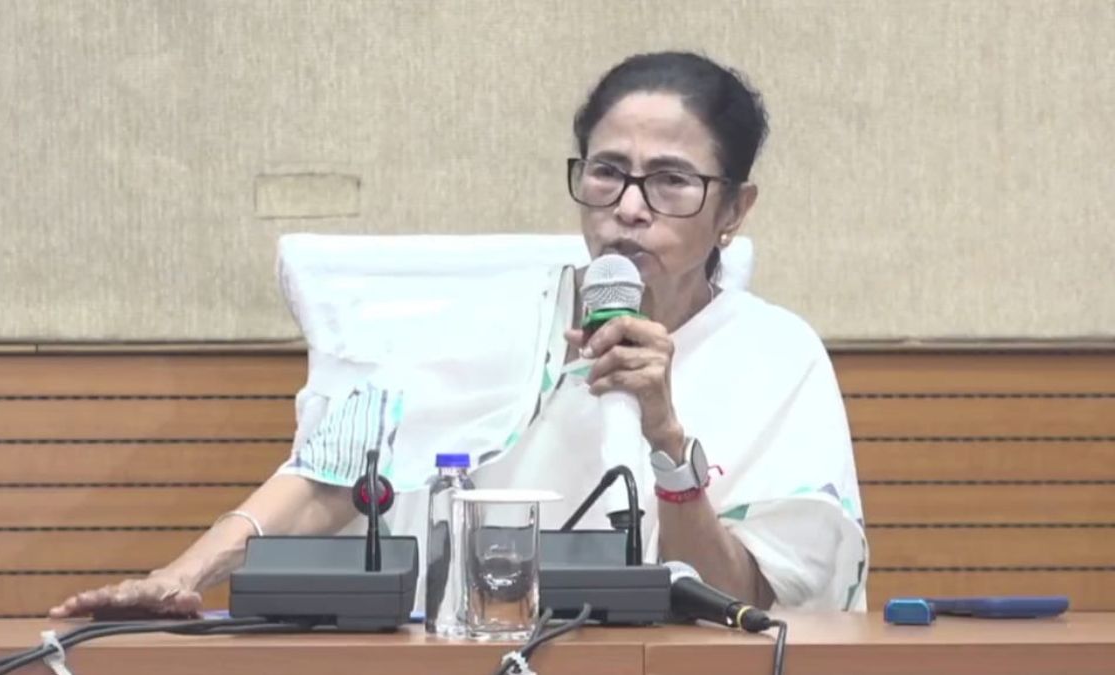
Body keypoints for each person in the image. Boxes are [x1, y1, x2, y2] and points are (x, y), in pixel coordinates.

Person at [50, 51, 866, 620]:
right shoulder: (491, 316)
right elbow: (334, 473)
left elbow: (746, 596)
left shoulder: (777, 355)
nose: (628, 206)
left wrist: (666, 441)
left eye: (672, 180)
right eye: (607, 171)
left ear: (734, 209)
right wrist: (181, 572)